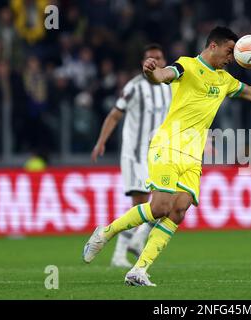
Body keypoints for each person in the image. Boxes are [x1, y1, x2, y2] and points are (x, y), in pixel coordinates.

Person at [83, 26, 251, 286]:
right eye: (229, 51)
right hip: (167, 145)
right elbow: (165, 75)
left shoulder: (225, 80)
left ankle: (139, 270)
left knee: (178, 210)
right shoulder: (186, 66)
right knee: (160, 207)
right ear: (213, 46)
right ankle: (106, 232)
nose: (231, 57)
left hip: (192, 155)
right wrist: (152, 72)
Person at [90, 44, 171, 267]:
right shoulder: (134, 87)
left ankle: (134, 242)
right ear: (143, 63)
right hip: (135, 155)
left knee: (161, 204)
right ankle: (124, 250)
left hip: (160, 154)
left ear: (164, 60)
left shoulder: (170, 86)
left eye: (159, 57)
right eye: (150, 58)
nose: (155, 61)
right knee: (142, 203)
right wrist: (101, 141)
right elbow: (115, 115)